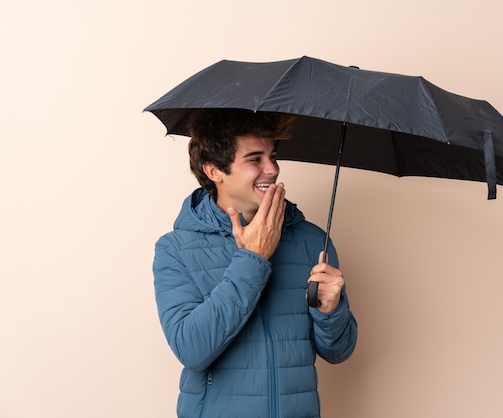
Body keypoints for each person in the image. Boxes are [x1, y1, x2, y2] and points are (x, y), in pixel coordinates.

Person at [153, 109, 358, 418]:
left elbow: (338, 352)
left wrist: (331, 311)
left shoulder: (313, 242)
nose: (272, 169)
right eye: (254, 159)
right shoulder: (175, 249)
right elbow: (191, 350)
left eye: (272, 156)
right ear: (214, 171)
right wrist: (253, 258)